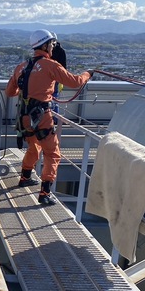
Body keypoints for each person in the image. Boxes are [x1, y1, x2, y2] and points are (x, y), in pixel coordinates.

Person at [6, 29, 93, 205]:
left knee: (34, 147)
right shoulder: (51, 65)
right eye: (52, 44)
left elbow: (10, 92)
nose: (53, 47)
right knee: (53, 153)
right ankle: (45, 193)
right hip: (42, 116)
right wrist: (87, 74)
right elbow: (75, 82)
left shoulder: (21, 67)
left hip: (24, 117)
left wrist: (29, 89)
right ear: (45, 45)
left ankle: (25, 177)